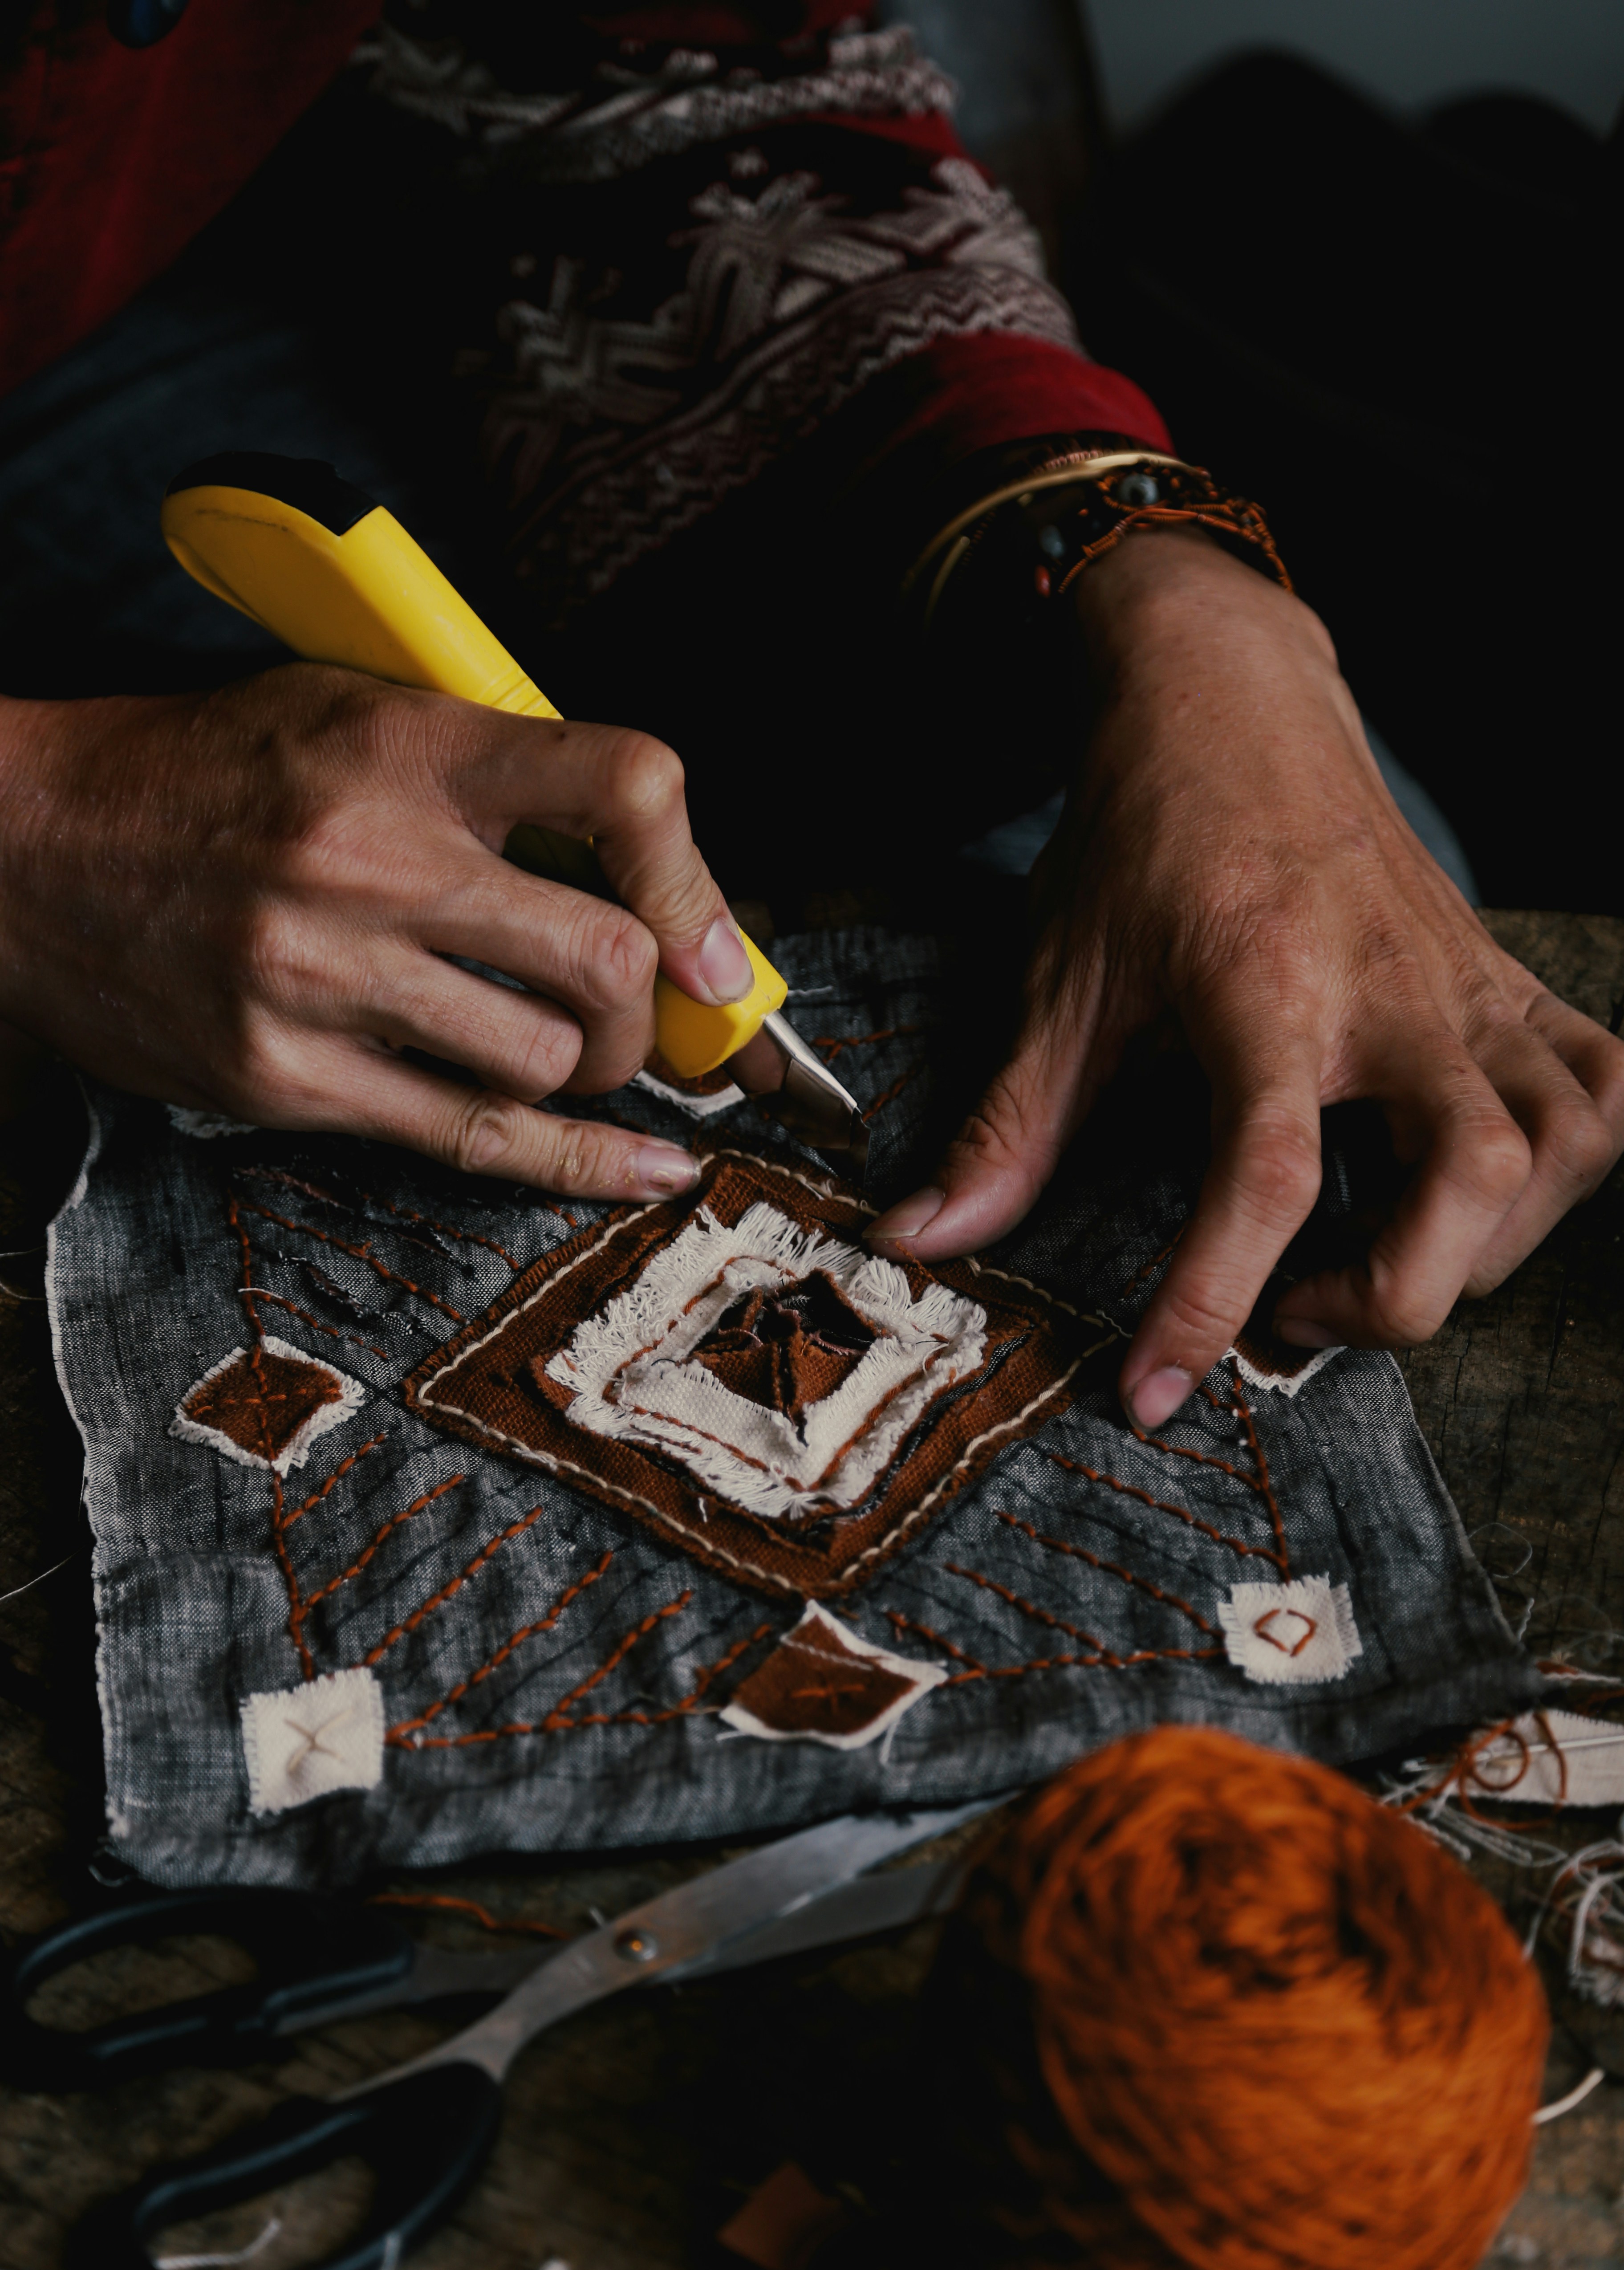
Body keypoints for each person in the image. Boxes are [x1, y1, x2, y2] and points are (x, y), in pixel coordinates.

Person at [1, 1, 1619, 1437]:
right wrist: (35, 822)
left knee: (1338, 960)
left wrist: (1164, 579)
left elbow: (696, 80)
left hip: (204, 235)